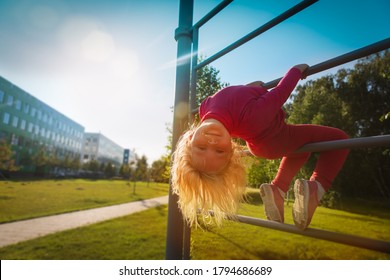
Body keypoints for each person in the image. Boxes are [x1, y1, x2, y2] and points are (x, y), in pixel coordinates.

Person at [171, 64, 349, 229]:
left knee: (300, 150)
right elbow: (280, 93)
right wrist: (296, 70)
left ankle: (277, 189)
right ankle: (316, 188)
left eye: (201, 148)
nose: (213, 142)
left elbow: (234, 99)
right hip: (274, 139)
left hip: (266, 142)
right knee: (339, 140)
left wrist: (253, 88)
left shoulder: (205, 107)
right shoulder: (252, 117)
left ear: (189, 139)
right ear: (231, 149)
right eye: (220, 151)